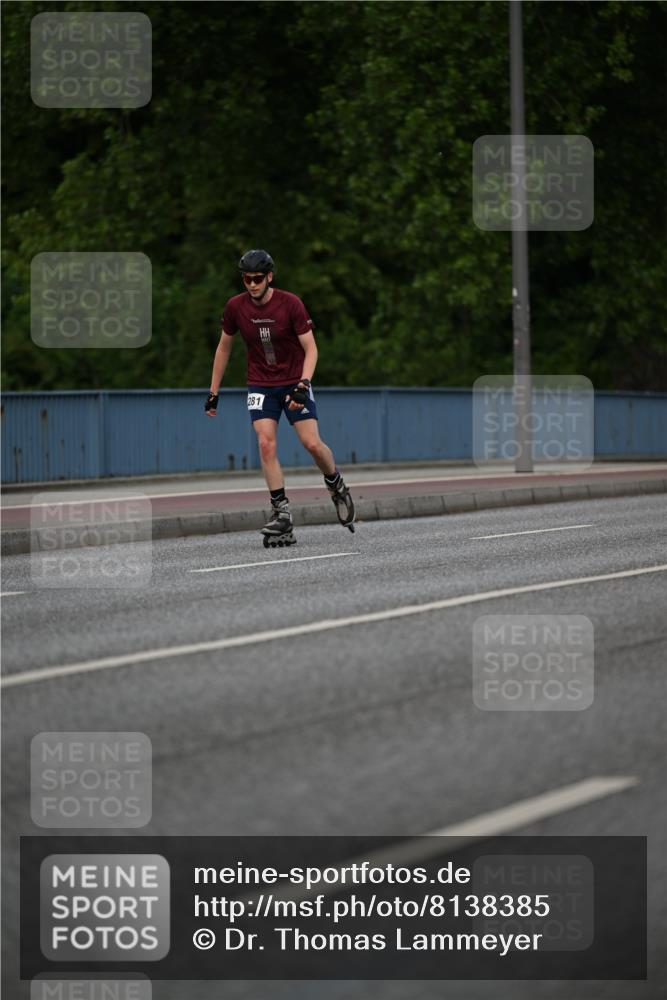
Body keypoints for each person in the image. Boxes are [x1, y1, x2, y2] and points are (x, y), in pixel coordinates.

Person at [205, 249, 355, 546]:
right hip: (260, 384)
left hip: (293, 382)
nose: (252, 284)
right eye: (247, 279)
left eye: (257, 279)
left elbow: (311, 349)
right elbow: (224, 348)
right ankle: (281, 512)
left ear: (269, 277)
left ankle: (336, 483)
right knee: (265, 442)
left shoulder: (291, 304)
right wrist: (213, 392)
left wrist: (303, 383)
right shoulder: (236, 307)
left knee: (311, 443)